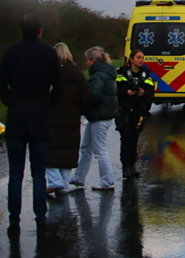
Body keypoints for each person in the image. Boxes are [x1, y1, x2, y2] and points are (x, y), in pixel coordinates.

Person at [0, 14, 64, 236]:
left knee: (15, 172)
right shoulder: (49, 54)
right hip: (40, 118)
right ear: (40, 31)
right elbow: (59, 86)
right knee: (38, 172)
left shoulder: (10, 53)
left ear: (20, 31)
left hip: (16, 117)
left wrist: (11, 102)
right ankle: (40, 218)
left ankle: (14, 219)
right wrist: (47, 104)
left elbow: (0, 85)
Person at [69, 47, 118, 191]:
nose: (86, 63)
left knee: (99, 149)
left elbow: (94, 96)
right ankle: (78, 178)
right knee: (86, 147)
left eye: (87, 60)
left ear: (92, 60)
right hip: (100, 115)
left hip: (99, 116)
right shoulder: (106, 73)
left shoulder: (98, 76)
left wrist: (81, 102)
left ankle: (107, 180)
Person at [46, 43, 91, 194]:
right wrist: (81, 111)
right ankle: (63, 185)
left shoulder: (48, 73)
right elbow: (87, 97)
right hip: (71, 118)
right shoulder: (77, 74)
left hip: (52, 116)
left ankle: (55, 181)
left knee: (50, 150)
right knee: (68, 152)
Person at [115, 49, 155, 178]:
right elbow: (116, 90)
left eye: (142, 57)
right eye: (138, 57)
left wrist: (144, 93)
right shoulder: (121, 72)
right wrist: (126, 92)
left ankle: (132, 166)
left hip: (138, 110)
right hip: (124, 110)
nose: (141, 60)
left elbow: (151, 92)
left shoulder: (146, 73)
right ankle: (125, 167)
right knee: (125, 138)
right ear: (131, 59)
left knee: (134, 139)